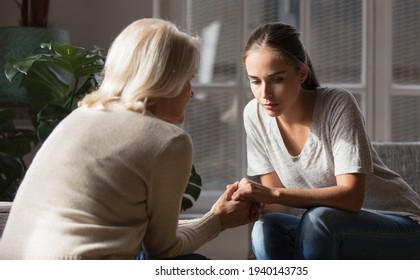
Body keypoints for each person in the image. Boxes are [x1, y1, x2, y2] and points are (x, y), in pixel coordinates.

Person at [0, 18, 259, 260]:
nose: (190, 93)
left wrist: (214, 215)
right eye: (187, 79)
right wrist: (218, 221)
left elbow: (134, 228)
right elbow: (163, 250)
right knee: (196, 264)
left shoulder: (81, 116)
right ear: (165, 82)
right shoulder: (168, 140)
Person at [231, 22, 420, 260]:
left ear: (302, 73)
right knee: (266, 227)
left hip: (403, 229)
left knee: (319, 219)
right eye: (255, 81)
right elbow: (276, 205)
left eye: (276, 79)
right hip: (326, 231)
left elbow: (351, 198)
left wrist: (271, 194)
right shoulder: (254, 115)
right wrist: (248, 202)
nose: (265, 93)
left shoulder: (338, 104)